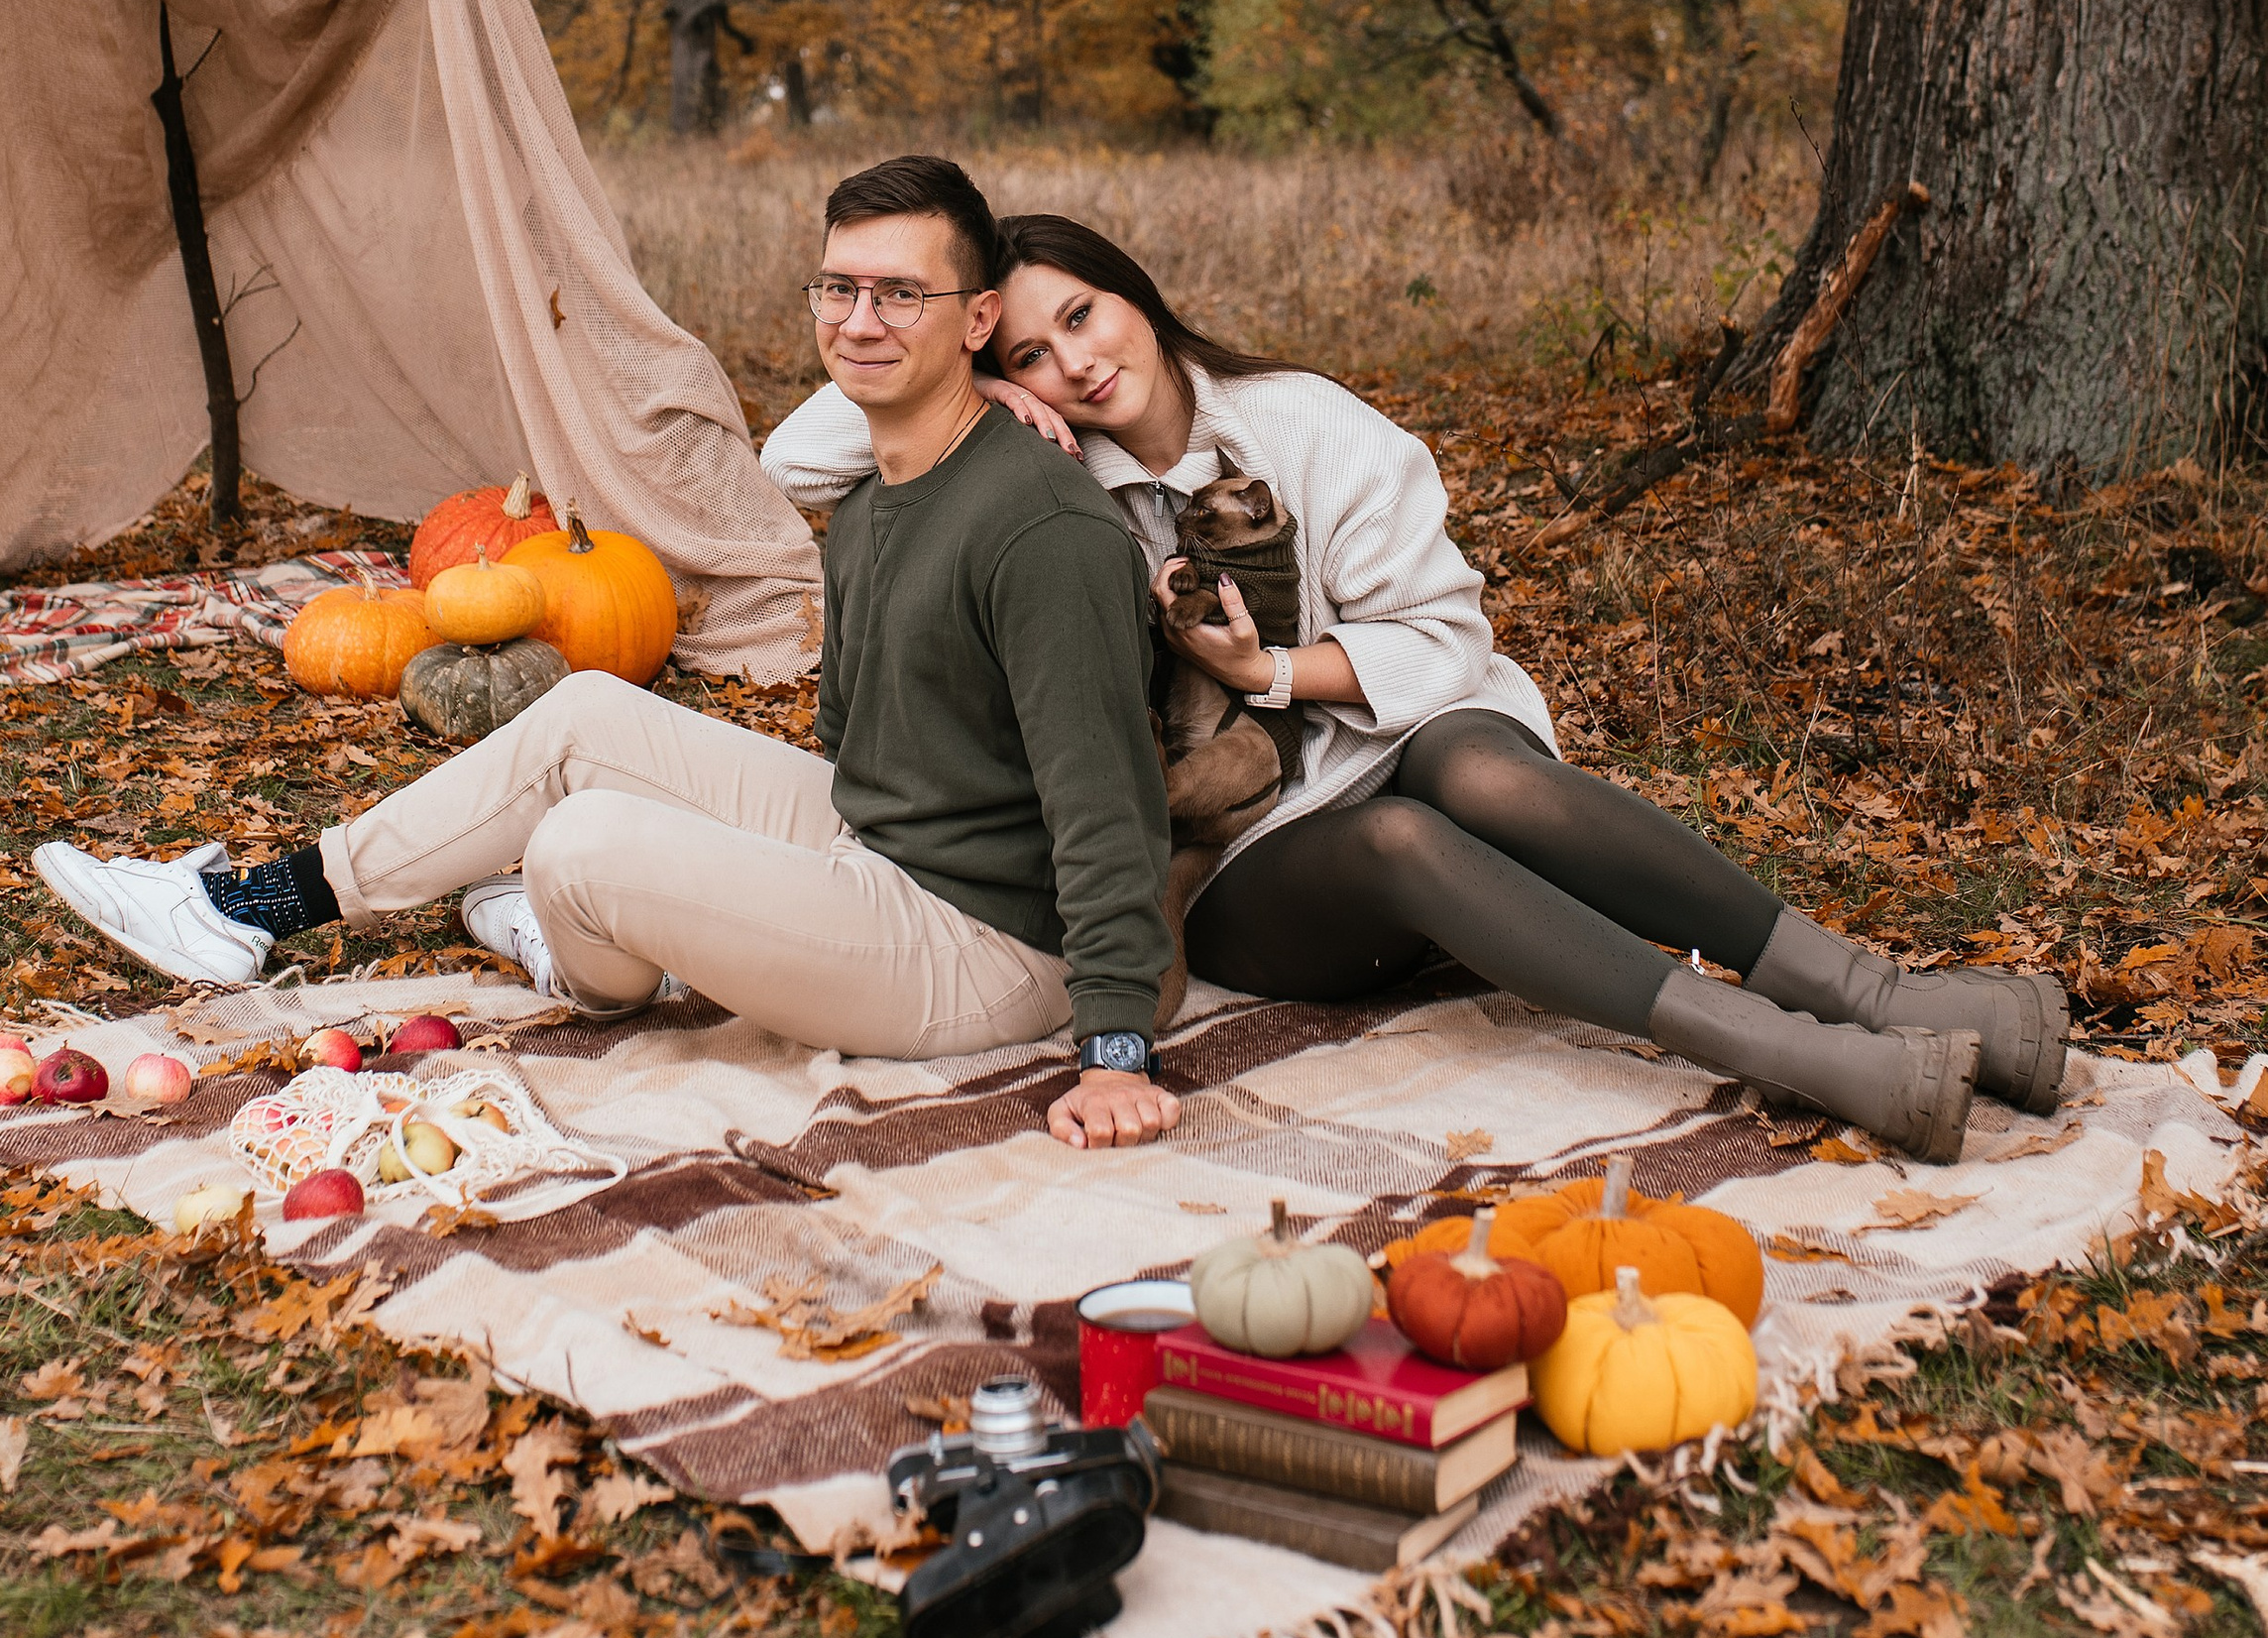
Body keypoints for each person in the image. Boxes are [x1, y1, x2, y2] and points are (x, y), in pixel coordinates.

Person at [760, 213, 2070, 1167]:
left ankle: (1876, 996)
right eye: (1035, 349)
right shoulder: (1048, 487)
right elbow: (801, 452)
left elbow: (1443, 640)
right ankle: (1802, 1055)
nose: (1075, 364)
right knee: (1399, 829)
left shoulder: (1306, 425)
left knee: (1468, 769)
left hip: (1412, 733)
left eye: (1083, 317)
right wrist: (968, 376)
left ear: (1136, 296)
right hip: (1248, 855)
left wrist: (1269, 669)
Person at [33, 156, 1183, 1154]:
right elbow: (858, 741)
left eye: (900, 295)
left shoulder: (1041, 530)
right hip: (878, 837)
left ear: (976, 320)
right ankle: (249, 907)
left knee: (578, 842)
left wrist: (1118, 1048)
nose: (860, 320)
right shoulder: (882, 497)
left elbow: (1107, 803)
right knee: (585, 715)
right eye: (839, 288)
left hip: (988, 939)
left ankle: (589, 945)